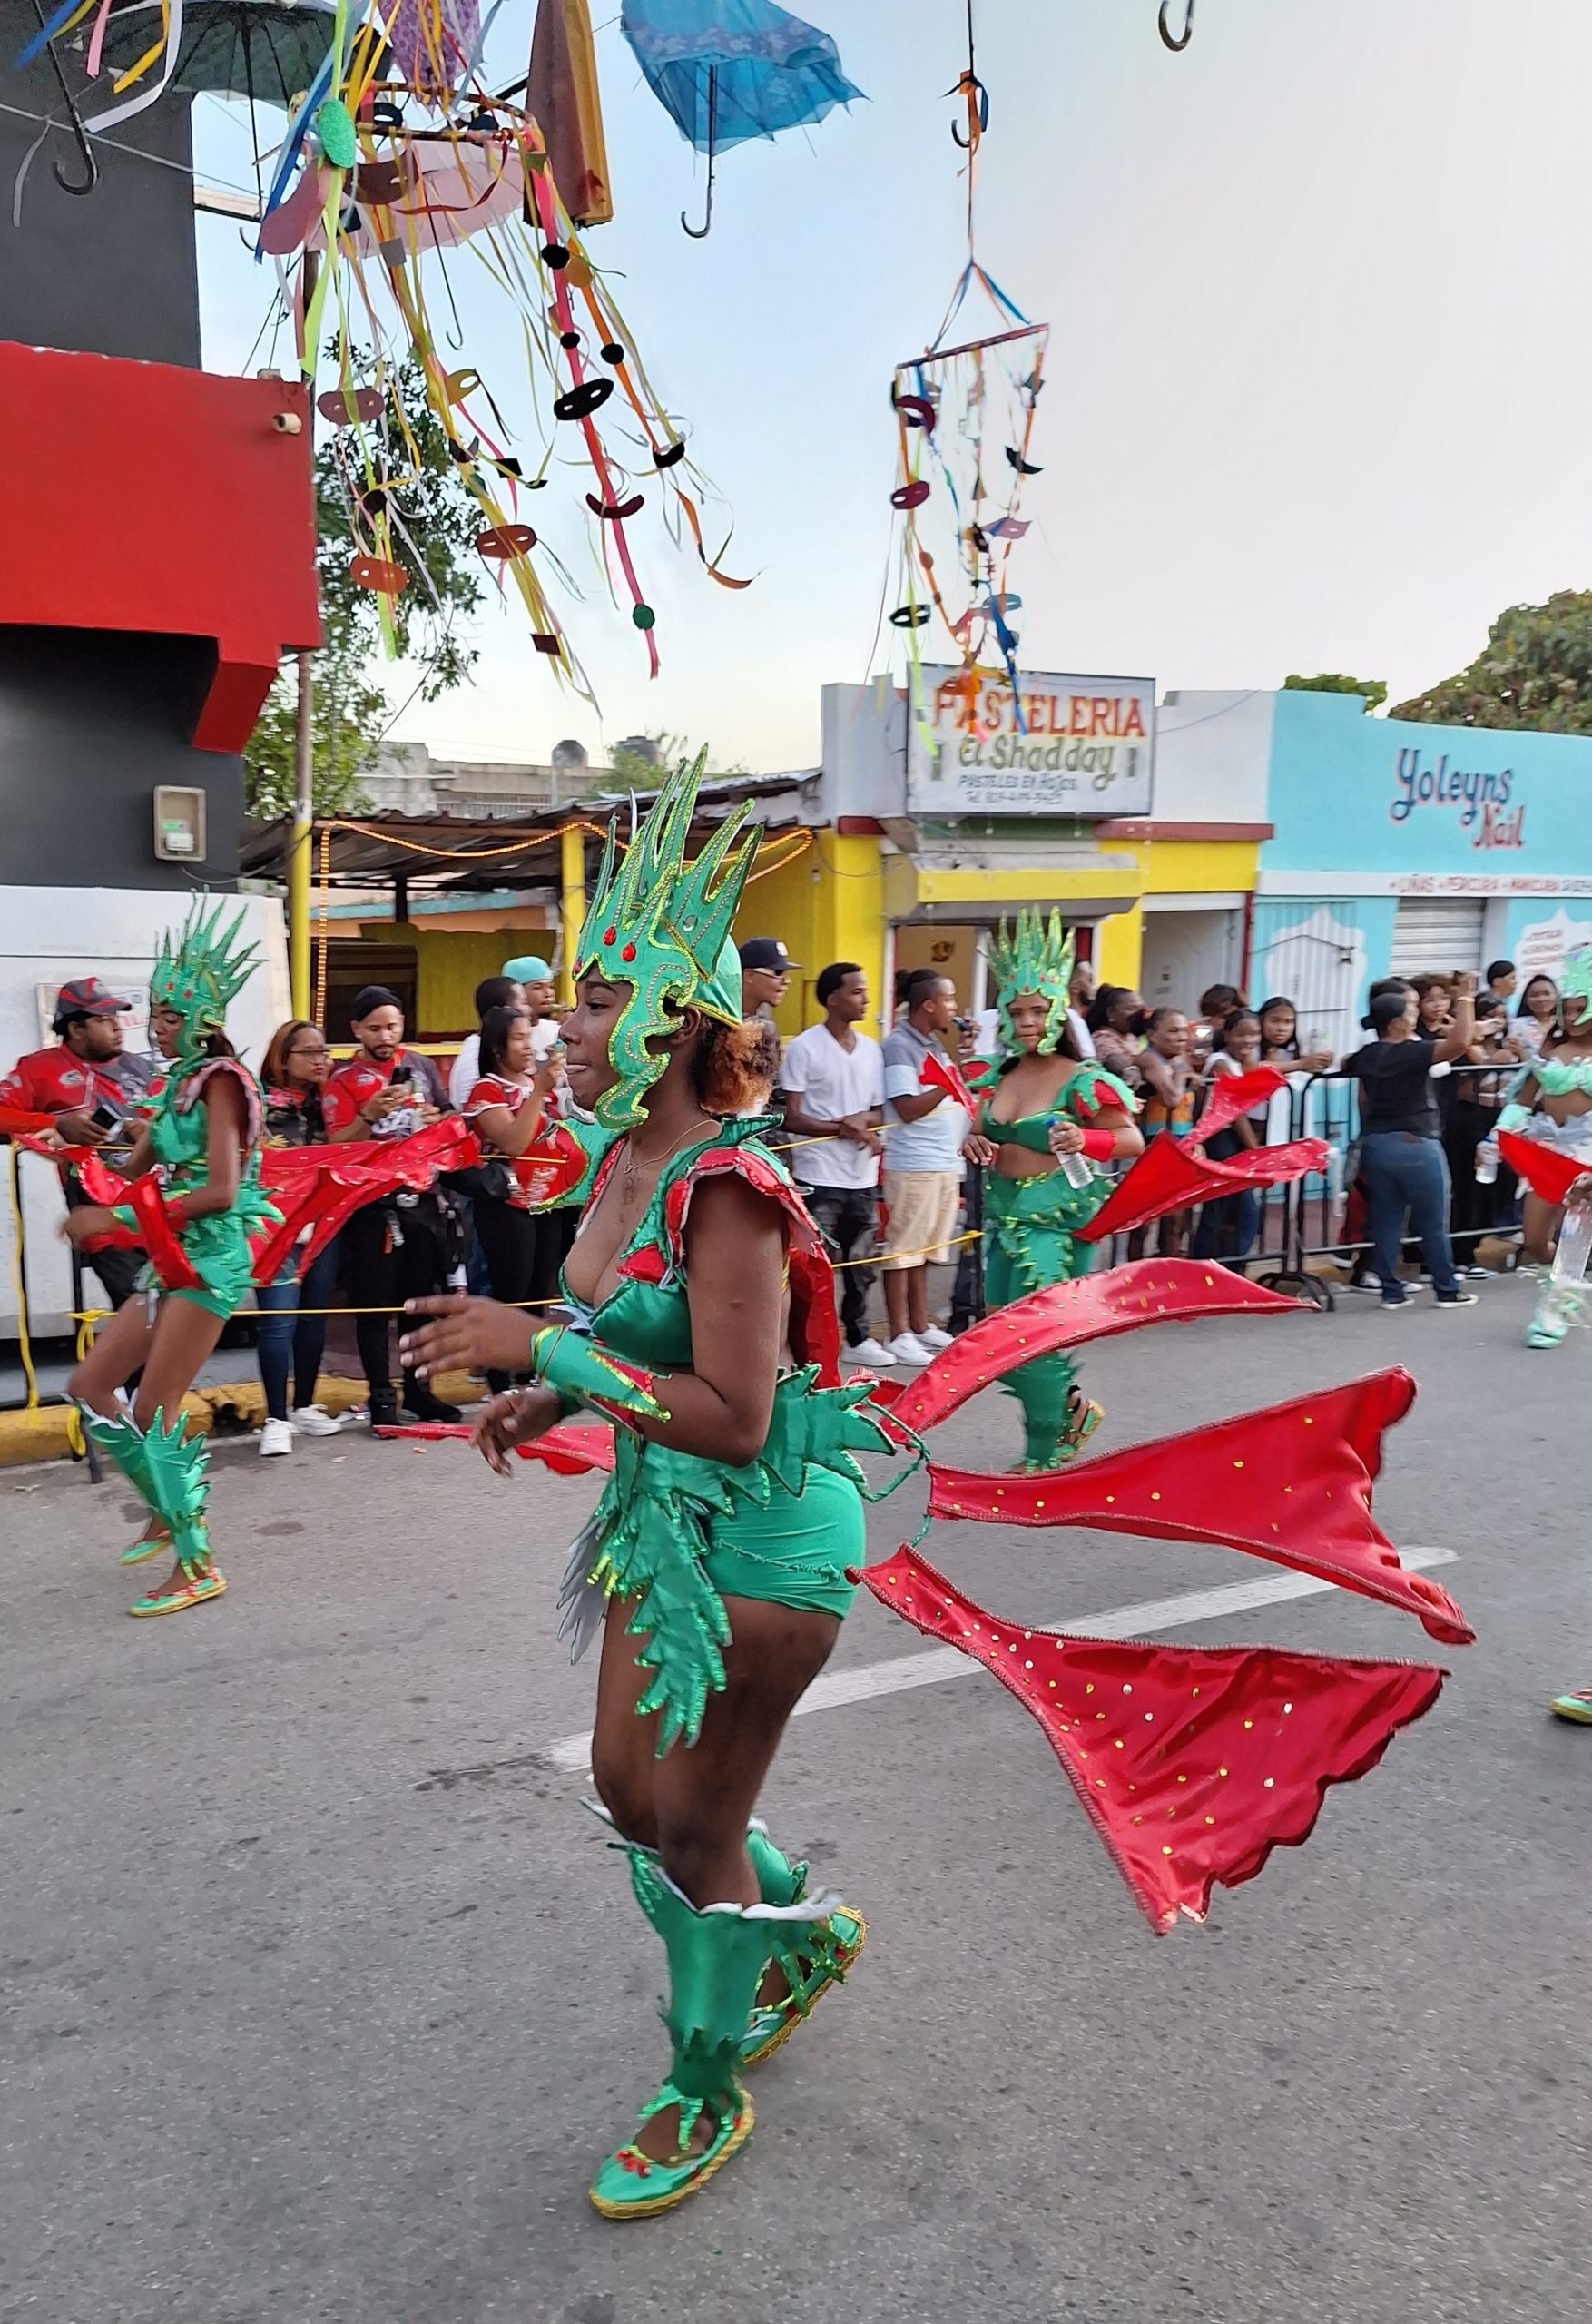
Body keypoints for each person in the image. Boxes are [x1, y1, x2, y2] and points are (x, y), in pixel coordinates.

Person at [398, 760, 901, 2218]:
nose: (565, 1024)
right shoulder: (624, 1152)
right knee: (630, 1790)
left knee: (690, 1824)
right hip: (657, 1521)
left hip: (762, 1530)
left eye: (600, 1000)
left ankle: (700, 2083)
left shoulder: (729, 1187)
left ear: (677, 1021)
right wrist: (547, 1393)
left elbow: (738, 1418)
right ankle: (794, 1931)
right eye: (573, 1001)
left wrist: (544, 1347)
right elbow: (625, 1334)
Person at [64, 905, 279, 1614]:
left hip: (209, 1265)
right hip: (169, 1260)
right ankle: (164, 1510)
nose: (155, 1026)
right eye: (154, 1013)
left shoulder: (221, 1080)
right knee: (91, 1384)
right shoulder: (178, 1081)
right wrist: (74, 1141)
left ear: (202, 1016)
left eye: (168, 1014)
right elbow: (133, 1168)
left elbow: (220, 1190)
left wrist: (112, 1218)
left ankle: (198, 1563)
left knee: (154, 1408)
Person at [960, 911, 1141, 1470]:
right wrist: (975, 1142)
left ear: (1060, 1010)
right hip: (1008, 1220)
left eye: (1038, 1010)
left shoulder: (1082, 1079)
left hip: (1056, 1226)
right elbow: (982, 1133)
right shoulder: (997, 1075)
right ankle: (1071, 1410)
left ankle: (1042, 1453)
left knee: (1030, 1338)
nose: (1027, 1021)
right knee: (996, 1335)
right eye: (1017, 1011)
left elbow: (1131, 1139)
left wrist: (1085, 1137)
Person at [323, 986, 460, 1429]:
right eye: (375, 1028)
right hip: (372, 1207)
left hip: (422, 1200)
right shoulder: (342, 1079)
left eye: (393, 1026)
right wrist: (368, 1115)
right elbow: (336, 1147)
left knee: (419, 1304)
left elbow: (449, 1116)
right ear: (356, 1030)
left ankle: (420, 1391)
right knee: (374, 1307)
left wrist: (438, 1121)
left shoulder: (420, 1065)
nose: (385, 1036)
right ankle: (381, 1397)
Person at [0, 975, 154, 1309]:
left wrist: (148, 1130)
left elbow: (181, 1127)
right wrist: (56, 1124)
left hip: (163, 1207)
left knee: (178, 1312)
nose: (117, 1027)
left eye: (116, 1017)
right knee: (141, 1311)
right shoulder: (39, 1068)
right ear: (76, 1029)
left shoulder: (142, 1068)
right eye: (104, 1020)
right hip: (101, 1216)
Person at [1341, 978, 1479, 1309]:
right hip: (1416, 1142)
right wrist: (1465, 999)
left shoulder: (1367, 1055)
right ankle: (1447, 1289)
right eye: (1410, 1011)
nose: (1415, 1015)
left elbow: (1346, 1063)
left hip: (1377, 1144)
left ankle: (1391, 1291)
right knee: (1433, 1220)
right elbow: (1461, 1042)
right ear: (1395, 1022)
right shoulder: (1413, 1052)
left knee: (1387, 1219)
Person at [779, 963, 891, 1365]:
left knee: (862, 1266)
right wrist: (842, 1128)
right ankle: (809, 1342)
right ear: (832, 999)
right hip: (818, 1175)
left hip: (862, 1177)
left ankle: (858, 1336)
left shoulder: (872, 1049)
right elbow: (791, 1116)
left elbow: (878, 1111)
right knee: (814, 1266)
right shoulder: (805, 1047)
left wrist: (861, 1122)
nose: (866, 999)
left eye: (865, 991)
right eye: (856, 992)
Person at [461, 1003, 569, 1390]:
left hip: (549, 1200)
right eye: (518, 1039)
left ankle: (529, 1372)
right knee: (510, 1291)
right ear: (496, 1047)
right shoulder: (487, 1090)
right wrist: (539, 1091)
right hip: (508, 1204)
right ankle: (499, 1379)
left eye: (529, 1038)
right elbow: (513, 1142)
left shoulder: (537, 1086)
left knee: (539, 1292)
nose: (528, 1047)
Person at [1489, 947, 1592, 1347]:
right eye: (1567, 1009)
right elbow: (1522, 1099)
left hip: (1589, 1156)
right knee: (1534, 1240)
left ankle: (1553, 1312)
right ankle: (1563, 1281)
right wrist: (1496, 1135)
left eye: (1580, 1009)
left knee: (1574, 1238)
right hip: (1550, 1152)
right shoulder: (1550, 1051)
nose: (1571, 1017)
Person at [255, 1020, 345, 1456]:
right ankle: (275, 1417)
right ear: (282, 1058)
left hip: (322, 1225)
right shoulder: (256, 1102)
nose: (319, 1060)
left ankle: (304, 1405)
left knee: (313, 1318)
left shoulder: (328, 1103)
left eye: (322, 1052)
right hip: (276, 1226)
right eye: (308, 1052)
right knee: (278, 1322)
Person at [878, 969, 965, 1364]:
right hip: (914, 1164)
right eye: (948, 999)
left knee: (926, 1250)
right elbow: (907, 1108)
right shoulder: (900, 1046)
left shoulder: (932, 1043)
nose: (954, 1007)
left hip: (942, 1162)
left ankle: (919, 1324)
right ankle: (898, 1333)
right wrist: (947, 1084)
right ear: (928, 1005)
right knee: (903, 1251)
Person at [1192, 1010, 1266, 1267]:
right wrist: (1254, 1149)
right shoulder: (1220, 1062)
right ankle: (1221, 1265)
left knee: (1224, 1207)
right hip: (1219, 1138)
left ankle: (1216, 1265)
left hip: (1231, 1138)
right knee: (1239, 1208)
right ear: (1227, 1036)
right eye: (1241, 1034)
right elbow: (1235, 1111)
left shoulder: (1244, 1061)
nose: (1248, 1040)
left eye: (1254, 1034)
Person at [1128, 1009, 1195, 1259]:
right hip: (1152, 1147)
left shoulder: (1179, 1058)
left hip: (1179, 1146)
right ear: (1152, 1034)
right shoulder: (1150, 1059)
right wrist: (1181, 1077)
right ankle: (1133, 1271)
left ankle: (1168, 1269)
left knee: (1176, 1218)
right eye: (1173, 1031)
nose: (1181, 1037)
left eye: (1184, 1031)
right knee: (1143, 1220)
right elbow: (1171, 1098)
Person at [447, 974, 525, 1108]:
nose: (529, 1009)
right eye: (525, 1003)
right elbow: (471, 1108)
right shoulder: (476, 1053)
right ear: (505, 1010)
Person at [1085, 984, 1145, 1088]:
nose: (1138, 1014)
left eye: (1140, 1009)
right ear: (1111, 1013)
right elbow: (1115, 1060)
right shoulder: (1102, 1038)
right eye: (1131, 1009)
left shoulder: (1132, 1037)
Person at [1257, 996, 1333, 1075]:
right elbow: (1254, 1067)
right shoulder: (1253, 1047)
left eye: (1288, 1022)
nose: (1281, 1028)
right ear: (1261, 1021)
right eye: (1275, 1021)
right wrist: (1300, 1064)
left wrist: (1319, 1061)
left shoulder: (1295, 1049)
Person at [737, 937, 799, 1019]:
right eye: (778, 972)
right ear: (749, 976)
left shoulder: (764, 1011)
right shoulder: (723, 1012)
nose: (787, 981)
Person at [1514, 973, 1559, 1057]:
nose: (1541, 999)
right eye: (1534, 995)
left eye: (1546, 994)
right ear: (1526, 1000)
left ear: (1557, 996)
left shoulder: (1564, 1023)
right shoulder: (1517, 1025)